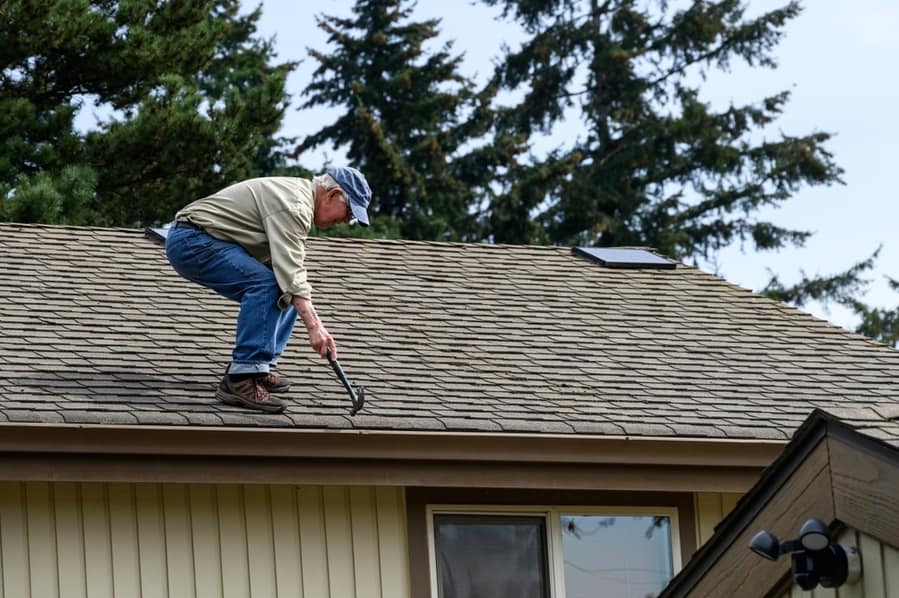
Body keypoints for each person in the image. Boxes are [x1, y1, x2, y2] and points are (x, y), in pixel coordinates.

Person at [165, 167, 372, 414]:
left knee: (287, 288)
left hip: (208, 240)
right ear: (332, 194)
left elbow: (290, 277)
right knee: (269, 284)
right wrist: (315, 327)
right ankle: (242, 377)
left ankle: (259, 367)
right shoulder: (295, 205)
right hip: (192, 239)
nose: (346, 222)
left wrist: (309, 313)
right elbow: (292, 274)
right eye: (349, 213)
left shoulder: (299, 199)